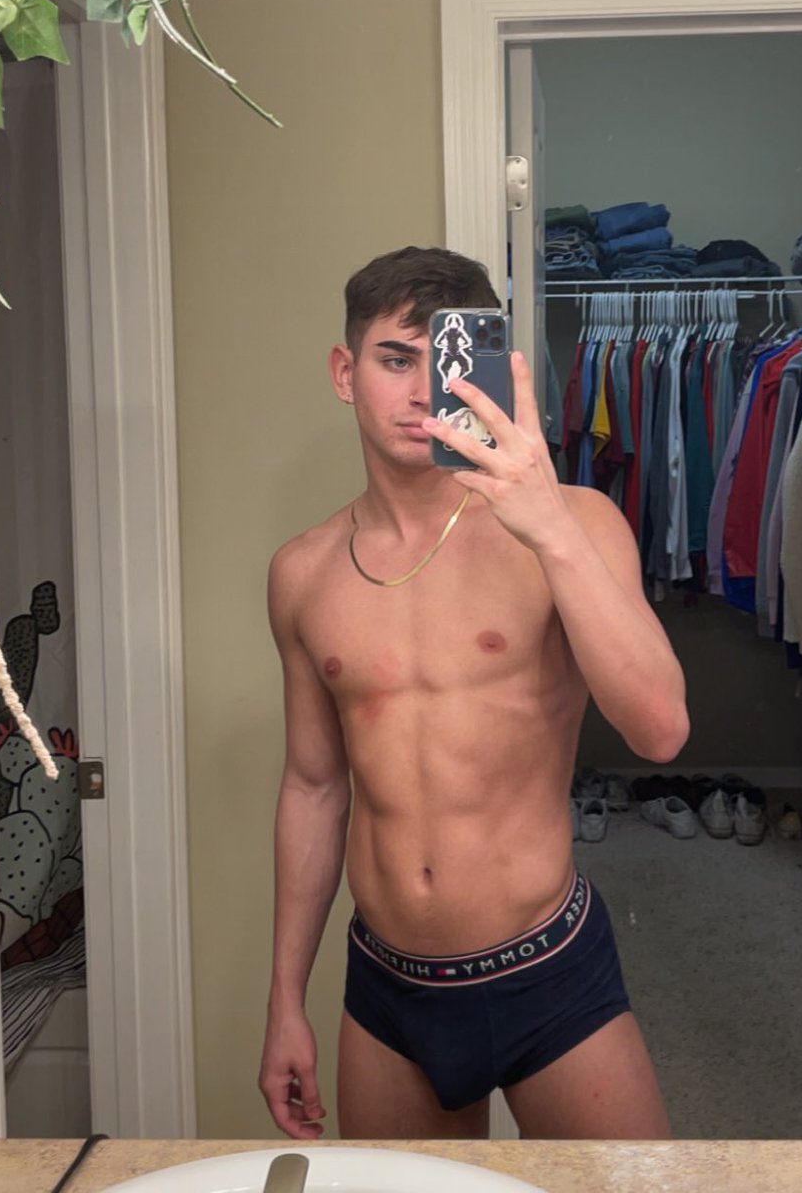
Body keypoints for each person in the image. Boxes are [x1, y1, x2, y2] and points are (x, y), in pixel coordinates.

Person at [258, 246, 688, 1141]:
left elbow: (660, 731)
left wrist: (549, 528)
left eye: (446, 361)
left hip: (548, 970)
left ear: (490, 370)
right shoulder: (302, 572)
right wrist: (285, 1001)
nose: (422, 392)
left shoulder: (576, 523)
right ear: (345, 372)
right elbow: (313, 786)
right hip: (389, 991)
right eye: (394, 359)